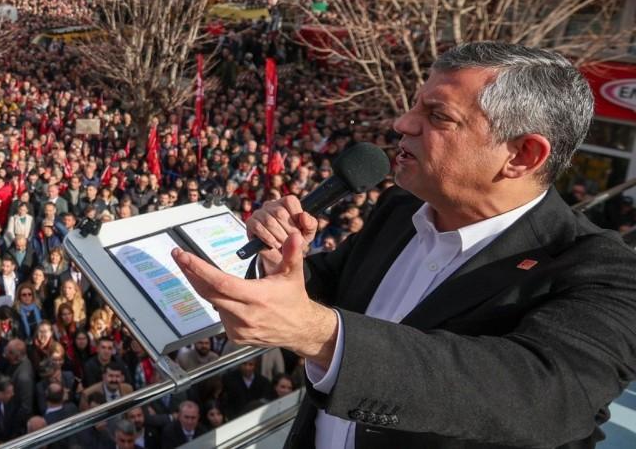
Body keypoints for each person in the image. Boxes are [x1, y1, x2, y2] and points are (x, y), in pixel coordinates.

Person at [173, 42, 636, 448]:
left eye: (438, 116)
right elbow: (325, 290)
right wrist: (280, 264)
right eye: (415, 105)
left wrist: (320, 335)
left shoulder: (603, 273)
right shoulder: (400, 210)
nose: (403, 123)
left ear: (523, 154)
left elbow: (540, 395)